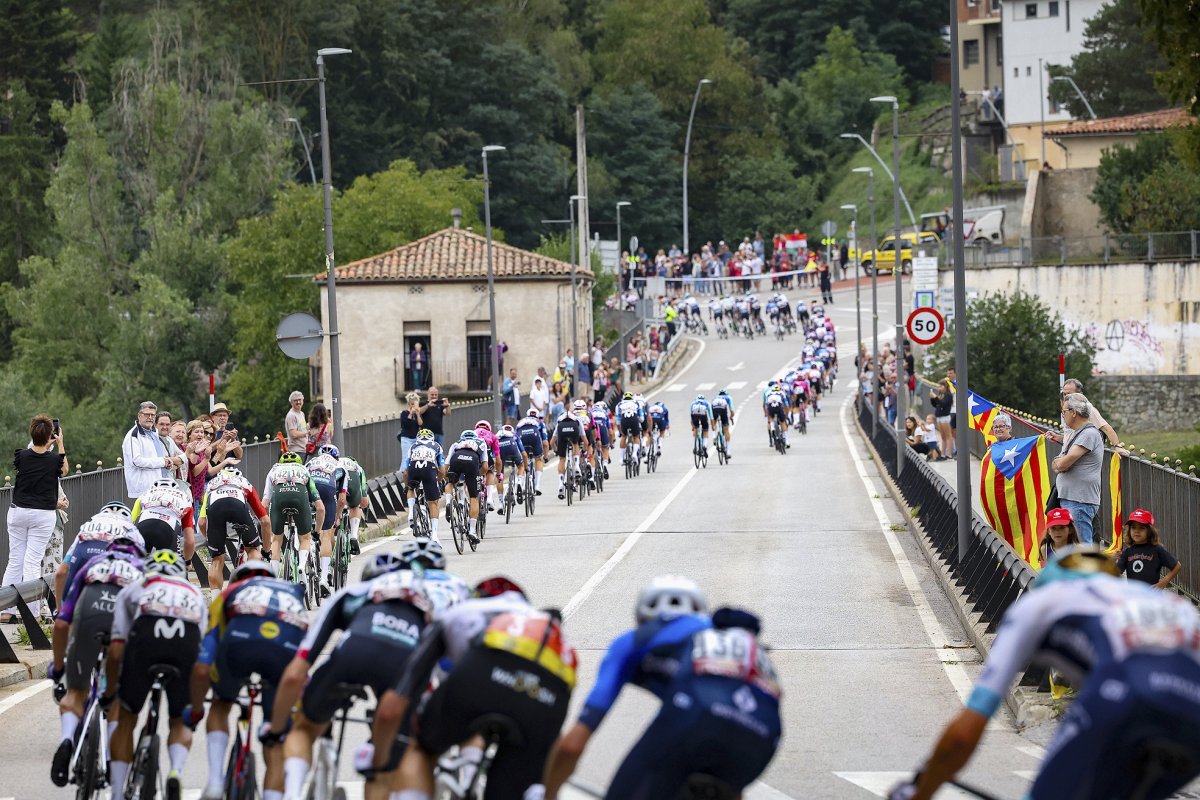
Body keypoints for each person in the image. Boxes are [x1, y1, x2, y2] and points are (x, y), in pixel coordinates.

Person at [891, 545, 1200, 800]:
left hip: (1122, 699)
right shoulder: (1171, 604)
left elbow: (963, 733)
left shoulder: (1041, 601)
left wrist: (920, 793)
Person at [539, 576, 781, 799]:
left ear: (642, 616)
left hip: (692, 723)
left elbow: (572, 745)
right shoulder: (734, 640)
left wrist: (548, 794)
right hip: (763, 738)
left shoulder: (637, 639)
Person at [367, 577, 576, 800]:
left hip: (479, 679)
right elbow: (557, 744)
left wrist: (377, 763)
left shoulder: (460, 611)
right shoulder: (538, 624)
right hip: (545, 696)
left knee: (422, 749)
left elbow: (393, 707)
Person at [266, 550, 435, 799]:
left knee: (304, 727)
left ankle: (291, 794)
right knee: (383, 766)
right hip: (402, 662)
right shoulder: (427, 599)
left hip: (354, 652)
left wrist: (276, 731)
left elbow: (296, 672)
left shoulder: (354, 594)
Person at [187, 560, 306, 800]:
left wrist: (197, 709)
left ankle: (214, 783)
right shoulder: (293, 594)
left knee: (221, 704)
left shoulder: (231, 592)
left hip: (238, 648)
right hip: (283, 652)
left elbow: (203, 664)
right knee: (275, 734)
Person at [103, 549, 207, 800]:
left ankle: (117, 793)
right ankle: (175, 772)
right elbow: (200, 650)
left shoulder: (137, 586)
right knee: (180, 720)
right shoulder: (194, 592)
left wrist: (111, 694)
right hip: (186, 640)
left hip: (146, 636)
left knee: (126, 715)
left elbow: (116, 650)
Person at [48, 531, 147, 786]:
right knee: (117, 699)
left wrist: (58, 669)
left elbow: (61, 624)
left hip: (90, 614)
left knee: (76, 692)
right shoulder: (142, 569)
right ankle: (112, 763)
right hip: (123, 619)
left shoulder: (94, 564)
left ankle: (67, 739)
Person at [2, 414, 69, 620]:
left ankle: (5, 609)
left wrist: (45, 442)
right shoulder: (53, 460)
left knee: (15, 560)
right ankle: (31, 613)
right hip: (42, 515)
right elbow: (64, 470)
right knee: (32, 562)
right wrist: (60, 443)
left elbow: (33, 457)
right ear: (51, 434)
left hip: (18, 512)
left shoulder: (21, 456)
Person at [199, 467, 270, 593]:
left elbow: (202, 522)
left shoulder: (211, 486)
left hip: (216, 509)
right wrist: (266, 551)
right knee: (253, 550)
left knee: (217, 560)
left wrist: (212, 541)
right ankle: (251, 591)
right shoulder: (245, 483)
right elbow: (265, 521)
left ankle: (216, 603)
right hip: (238, 507)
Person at [1051, 393, 1104, 544]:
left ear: (1073, 412)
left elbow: (1061, 464)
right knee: (1074, 547)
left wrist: (1060, 463)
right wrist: (1060, 463)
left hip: (1079, 500)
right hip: (1073, 498)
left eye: (1064, 412)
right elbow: (1058, 463)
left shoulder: (1088, 434)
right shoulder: (1077, 434)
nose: (1063, 415)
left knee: (1081, 547)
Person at [262, 451, 324, 563]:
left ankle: (275, 575)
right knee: (305, 538)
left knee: (276, 540)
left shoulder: (274, 470)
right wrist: (317, 532)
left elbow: (265, 504)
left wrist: (269, 530)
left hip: (279, 496)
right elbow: (320, 508)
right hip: (299, 495)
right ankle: (301, 569)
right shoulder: (304, 469)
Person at [306, 443, 348, 594]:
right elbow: (342, 500)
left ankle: (306, 553)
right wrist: (336, 518)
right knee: (326, 534)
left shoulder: (310, 462)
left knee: (305, 532)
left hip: (310, 488)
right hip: (328, 490)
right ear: (336, 457)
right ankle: (324, 578)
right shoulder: (340, 467)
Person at [1051, 378, 1129, 456]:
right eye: (1064, 394)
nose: (1066, 397)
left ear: (1080, 394)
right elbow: (1073, 436)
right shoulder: (1067, 408)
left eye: (1069, 394)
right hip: (1068, 455)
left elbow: (1107, 428)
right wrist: (1059, 438)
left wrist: (1117, 446)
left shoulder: (1088, 409)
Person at [123, 401, 182, 499]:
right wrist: (162, 462)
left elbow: (154, 457)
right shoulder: (133, 436)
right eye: (147, 414)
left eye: (153, 415)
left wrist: (166, 463)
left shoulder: (153, 432)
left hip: (158, 487)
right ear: (139, 416)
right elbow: (136, 461)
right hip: (144, 490)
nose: (150, 417)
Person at [1116, 508, 1181, 589]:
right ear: (1129, 530)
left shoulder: (1157, 550)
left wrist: (1163, 583)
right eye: (1133, 527)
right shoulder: (1127, 552)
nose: (1137, 531)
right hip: (1133, 597)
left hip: (1152, 596)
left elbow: (1177, 566)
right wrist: (1111, 560)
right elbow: (1116, 573)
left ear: (1150, 531)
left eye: (1141, 528)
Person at [133, 477, 196, 558]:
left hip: (143, 525)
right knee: (169, 568)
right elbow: (190, 541)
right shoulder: (185, 498)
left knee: (134, 564)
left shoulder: (144, 495)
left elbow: (130, 522)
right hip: (168, 529)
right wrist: (187, 561)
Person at [402, 429, 445, 540]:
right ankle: (435, 536)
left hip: (414, 468)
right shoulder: (437, 446)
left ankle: (411, 512)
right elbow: (442, 470)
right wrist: (438, 481)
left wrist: (407, 486)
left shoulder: (413, 446)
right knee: (433, 503)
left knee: (411, 488)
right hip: (429, 469)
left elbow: (405, 471)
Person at [444, 430, 487, 543]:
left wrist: (446, 478)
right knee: (474, 497)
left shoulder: (456, 443)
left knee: (450, 483)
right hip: (472, 462)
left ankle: (448, 502)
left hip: (456, 459)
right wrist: (477, 475)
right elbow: (486, 467)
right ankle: (472, 531)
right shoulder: (481, 442)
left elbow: (446, 464)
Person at [397, 391, 423, 472]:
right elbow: (405, 425)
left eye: (415, 404)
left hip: (415, 438)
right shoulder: (404, 413)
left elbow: (420, 424)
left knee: (416, 458)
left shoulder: (417, 414)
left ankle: (412, 474)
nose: (413, 406)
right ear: (409, 404)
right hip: (406, 438)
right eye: (412, 404)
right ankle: (402, 474)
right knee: (406, 457)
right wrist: (410, 414)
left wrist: (418, 414)